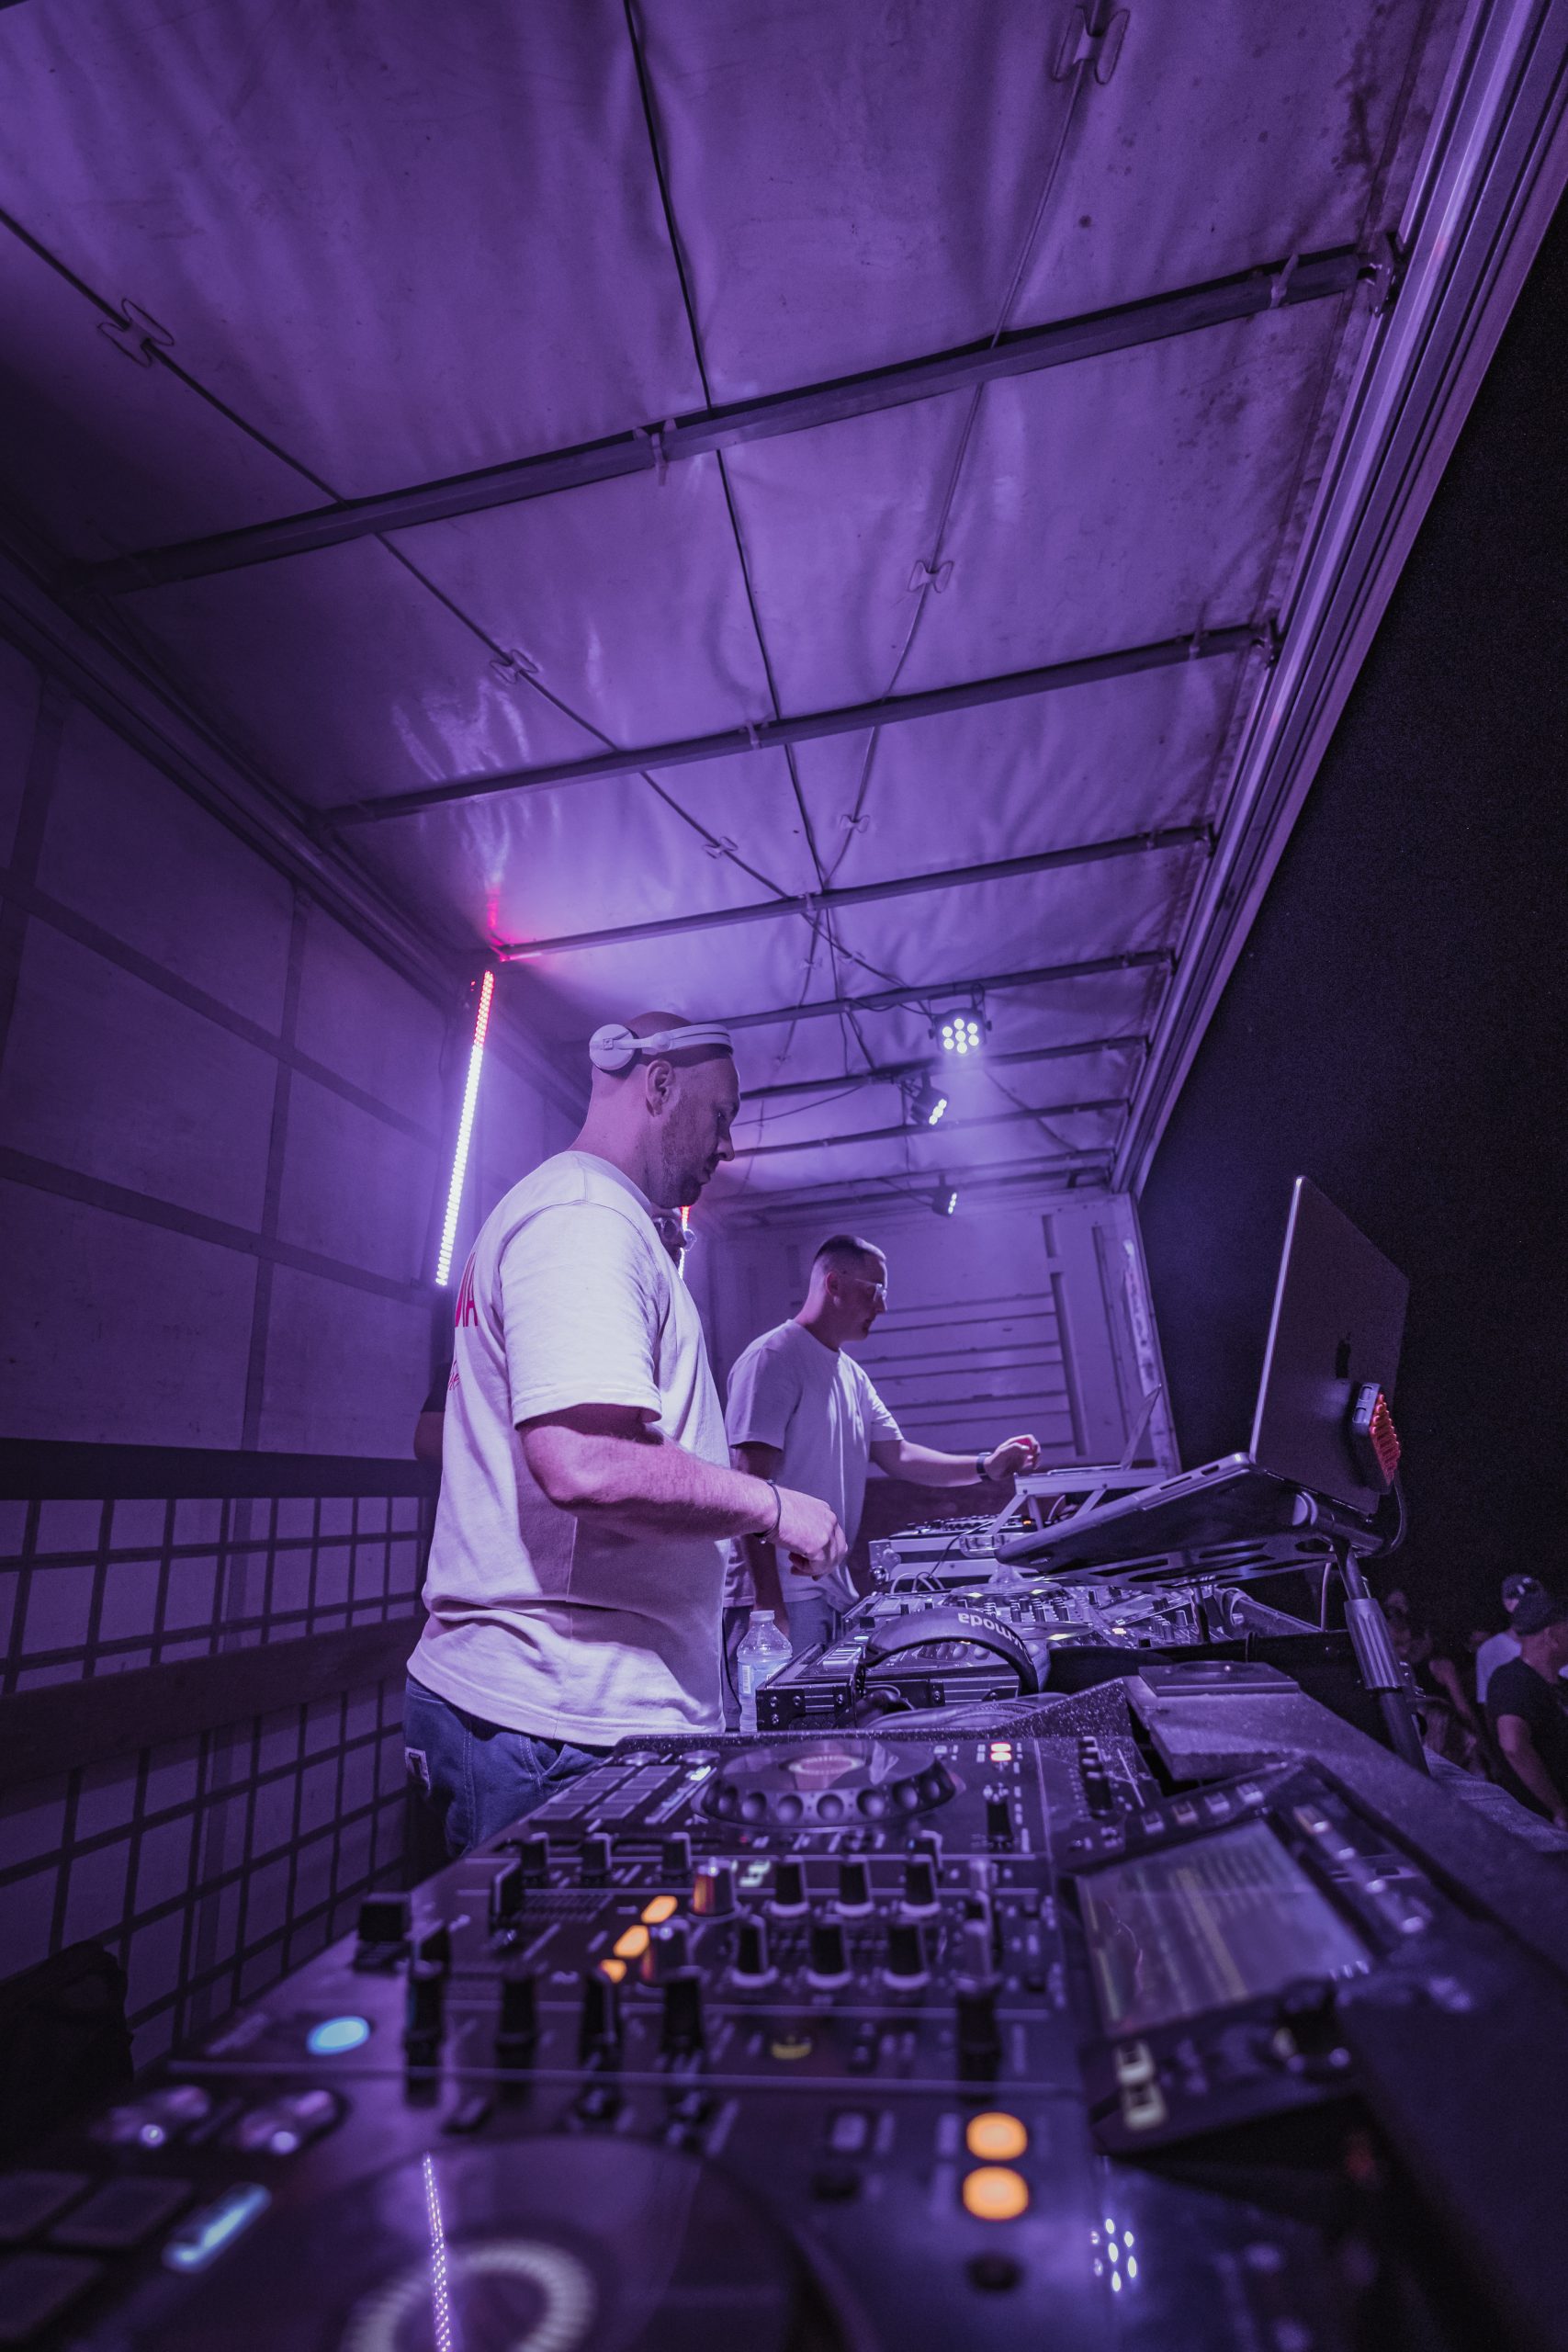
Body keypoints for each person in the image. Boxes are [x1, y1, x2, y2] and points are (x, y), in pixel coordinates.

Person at [404, 1012, 847, 1854]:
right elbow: (586, 1465)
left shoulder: (599, 1217)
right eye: (721, 1116)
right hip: (555, 1722)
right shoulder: (583, 1215)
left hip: (563, 1714)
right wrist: (771, 1505)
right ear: (659, 1085)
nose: (727, 1146)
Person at [725, 1233, 1041, 1665]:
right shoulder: (773, 1358)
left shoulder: (851, 1375)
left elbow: (899, 1456)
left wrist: (988, 1466)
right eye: (875, 1291)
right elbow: (749, 1484)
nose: (883, 1308)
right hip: (781, 1600)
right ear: (834, 1284)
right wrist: (767, 1604)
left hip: (828, 1593)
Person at [1485, 1591, 1568, 1826]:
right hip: (1544, 1824)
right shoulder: (1511, 1680)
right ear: (1552, 1635)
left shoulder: (1560, 1685)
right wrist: (1558, 1808)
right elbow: (1513, 1745)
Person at [1473, 1572, 1546, 1704]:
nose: (1534, 1606)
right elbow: (1488, 1703)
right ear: (1508, 1604)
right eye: (1525, 1600)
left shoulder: (1556, 1638)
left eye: (1538, 1600)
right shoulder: (1490, 1650)